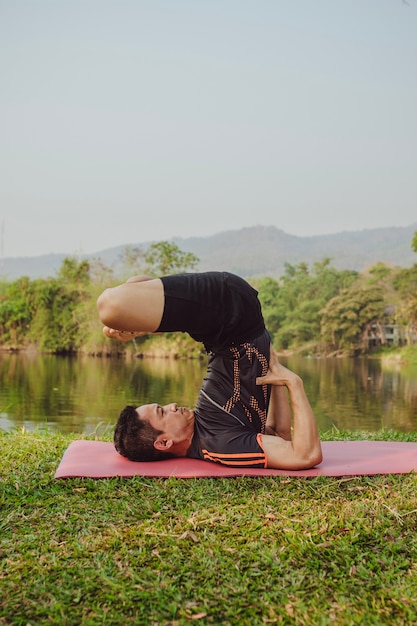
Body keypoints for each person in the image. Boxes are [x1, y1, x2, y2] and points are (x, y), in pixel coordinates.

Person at [97, 271, 322, 470]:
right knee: (109, 306)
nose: (172, 405)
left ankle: (143, 326)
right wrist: (293, 383)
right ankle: (142, 327)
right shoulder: (219, 445)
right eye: (163, 412)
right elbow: (303, 453)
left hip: (221, 326)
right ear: (164, 442)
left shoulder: (210, 434)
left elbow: (275, 433)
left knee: (135, 285)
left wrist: (275, 373)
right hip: (231, 313)